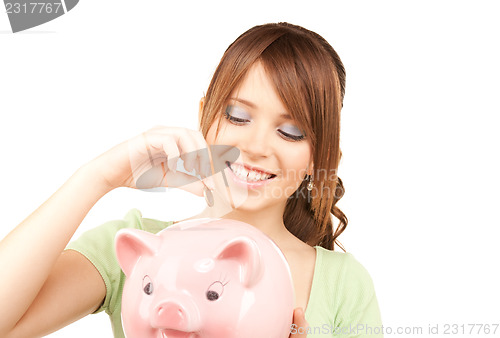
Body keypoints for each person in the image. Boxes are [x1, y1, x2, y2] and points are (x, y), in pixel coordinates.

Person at [0, 22, 383, 337]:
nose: (254, 146)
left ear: (322, 156)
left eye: (291, 131)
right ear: (205, 117)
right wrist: (98, 177)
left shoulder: (343, 283)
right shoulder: (137, 246)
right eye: (237, 115)